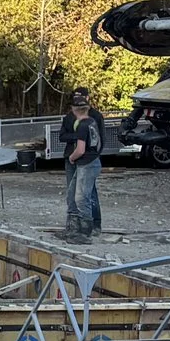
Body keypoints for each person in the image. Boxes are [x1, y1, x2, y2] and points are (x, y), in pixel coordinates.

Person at [61, 90, 104, 240]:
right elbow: (99, 144)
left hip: (86, 164)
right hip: (90, 162)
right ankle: (73, 228)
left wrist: (72, 158)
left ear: (74, 109)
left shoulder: (82, 126)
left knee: (82, 198)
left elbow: (80, 149)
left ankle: (85, 233)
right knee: (72, 195)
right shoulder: (92, 122)